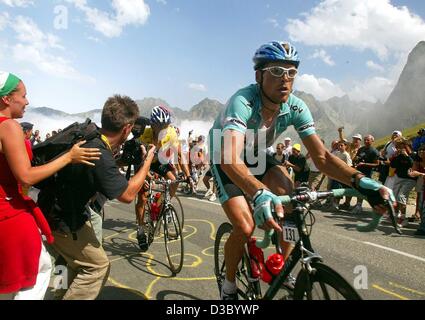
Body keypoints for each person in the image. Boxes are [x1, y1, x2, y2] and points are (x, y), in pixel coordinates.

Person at [208, 41, 395, 300]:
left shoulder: (296, 107)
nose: (285, 78)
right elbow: (230, 158)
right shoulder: (243, 101)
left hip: (257, 155)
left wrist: (360, 181)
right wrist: (260, 192)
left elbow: (321, 157)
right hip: (225, 156)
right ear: (258, 75)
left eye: (291, 72)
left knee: (292, 203)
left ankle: (279, 266)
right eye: (275, 71)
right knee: (244, 226)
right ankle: (228, 286)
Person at [37, 95, 155, 300]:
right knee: (96, 267)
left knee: (71, 265)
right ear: (127, 128)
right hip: (65, 220)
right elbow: (127, 195)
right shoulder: (99, 152)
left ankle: (58, 294)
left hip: (55, 210)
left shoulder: (89, 136)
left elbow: (102, 171)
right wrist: (147, 163)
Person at [0, 71, 100, 300]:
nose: (27, 101)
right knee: (39, 269)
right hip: (11, 212)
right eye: (23, 96)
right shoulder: (9, 127)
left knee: (26, 270)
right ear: (6, 99)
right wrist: (68, 157)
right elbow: (25, 176)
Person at [135, 105, 190, 251]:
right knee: (142, 197)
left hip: (159, 160)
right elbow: (140, 161)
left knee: (174, 181)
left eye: (166, 125)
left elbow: (180, 155)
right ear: (153, 125)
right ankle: (140, 230)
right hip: (144, 162)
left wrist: (188, 175)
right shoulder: (144, 135)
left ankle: (162, 205)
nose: (164, 128)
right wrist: (146, 176)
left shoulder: (171, 133)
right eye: (161, 126)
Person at [350, 135, 380, 214]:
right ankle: (357, 204)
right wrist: (355, 160)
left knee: (363, 188)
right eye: (365, 140)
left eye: (368, 140)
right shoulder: (361, 149)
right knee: (357, 187)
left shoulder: (374, 151)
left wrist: (364, 164)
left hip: (367, 173)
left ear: (372, 141)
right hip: (358, 171)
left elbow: (377, 164)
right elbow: (356, 158)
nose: (366, 141)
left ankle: (359, 205)